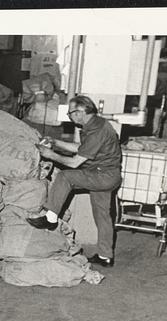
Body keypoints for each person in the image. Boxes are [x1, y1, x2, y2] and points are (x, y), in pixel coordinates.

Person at [26, 95, 122, 267]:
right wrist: (56, 142)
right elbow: (82, 150)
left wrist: (50, 154)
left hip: (102, 176)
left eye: (71, 113)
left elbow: (74, 162)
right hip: (108, 175)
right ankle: (105, 256)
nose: (70, 116)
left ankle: (50, 218)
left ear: (80, 112)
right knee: (103, 216)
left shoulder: (97, 131)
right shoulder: (96, 124)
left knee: (65, 177)